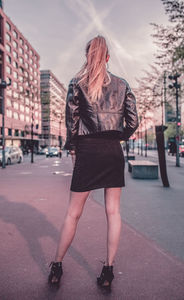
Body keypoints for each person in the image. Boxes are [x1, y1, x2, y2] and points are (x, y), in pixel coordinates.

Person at [48, 35, 138, 288]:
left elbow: (72, 124)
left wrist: (74, 150)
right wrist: (117, 138)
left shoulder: (77, 83)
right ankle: (108, 271)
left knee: (73, 213)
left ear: (88, 57)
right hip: (112, 151)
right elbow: (133, 122)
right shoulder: (122, 84)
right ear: (107, 57)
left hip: (88, 151)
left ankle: (56, 267)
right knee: (113, 212)